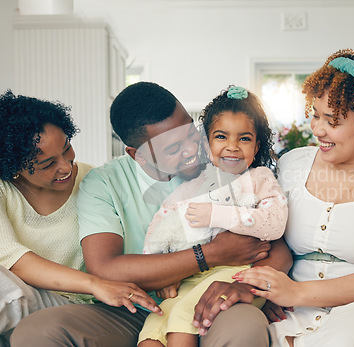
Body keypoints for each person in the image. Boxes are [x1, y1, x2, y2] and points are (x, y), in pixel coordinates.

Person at [11, 82, 292, 347]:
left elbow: (276, 244)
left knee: (243, 327)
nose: (192, 150)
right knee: (36, 332)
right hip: (133, 305)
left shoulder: (224, 164)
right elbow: (106, 268)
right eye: (173, 148)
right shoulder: (102, 183)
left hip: (213, 293)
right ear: (138, 155)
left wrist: (254, 287)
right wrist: (210, 254)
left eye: (191, 134)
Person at [233, 49, 354, 346]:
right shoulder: (293, 164)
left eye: (333, 121)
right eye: (315, 115)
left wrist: (296, 292)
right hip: (294, 309)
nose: (317, 129)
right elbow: (271, 237)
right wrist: (273, 287)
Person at [0, 91, 161, 343]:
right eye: (47, 164)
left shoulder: (94, 180)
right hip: (31, 298)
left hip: (86, 305)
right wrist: (95, 283)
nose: (66, 166)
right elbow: (13, 258)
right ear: (14, 167)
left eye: (67, 149)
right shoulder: (4, 192)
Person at [138, 85, 288, 346]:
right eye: (221, 137)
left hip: (236, 272)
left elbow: (275, 224)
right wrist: (161, 271)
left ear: (257, 146)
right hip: (190, 277)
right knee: (152, 330)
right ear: (206, 146)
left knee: (182, 322)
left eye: (244, 139)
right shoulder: (192, 185)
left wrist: (219, 216)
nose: (232, 147)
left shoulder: (259, 179)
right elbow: (161, 224)